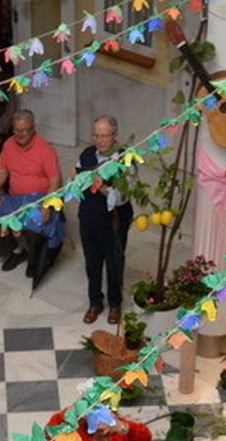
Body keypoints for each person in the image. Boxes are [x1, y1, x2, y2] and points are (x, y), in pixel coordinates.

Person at [0, 110, 64, 275]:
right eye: (17, 130)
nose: (20, 134)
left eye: (25, 130)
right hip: (15, 198)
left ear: (33, 128)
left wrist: (47, 205)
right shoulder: (9, 144)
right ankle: (16, 251)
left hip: (39, 198)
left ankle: (34, 260)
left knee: (34, 228)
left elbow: (55, 180)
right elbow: (2, 170)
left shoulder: (45, 149)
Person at [76, 115, 133, 325]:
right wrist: (77, 180)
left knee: (114, 264)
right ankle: (95, 302)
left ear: (115, 135)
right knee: (92, 263)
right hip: (88, 218)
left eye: (104, 136)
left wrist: (100, 186)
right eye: (96, 136)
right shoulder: (87, 154)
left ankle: (115, 304)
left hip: (114, 222)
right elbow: (77, 177)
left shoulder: (125, 160)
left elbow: (122, 197)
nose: (99, 141)